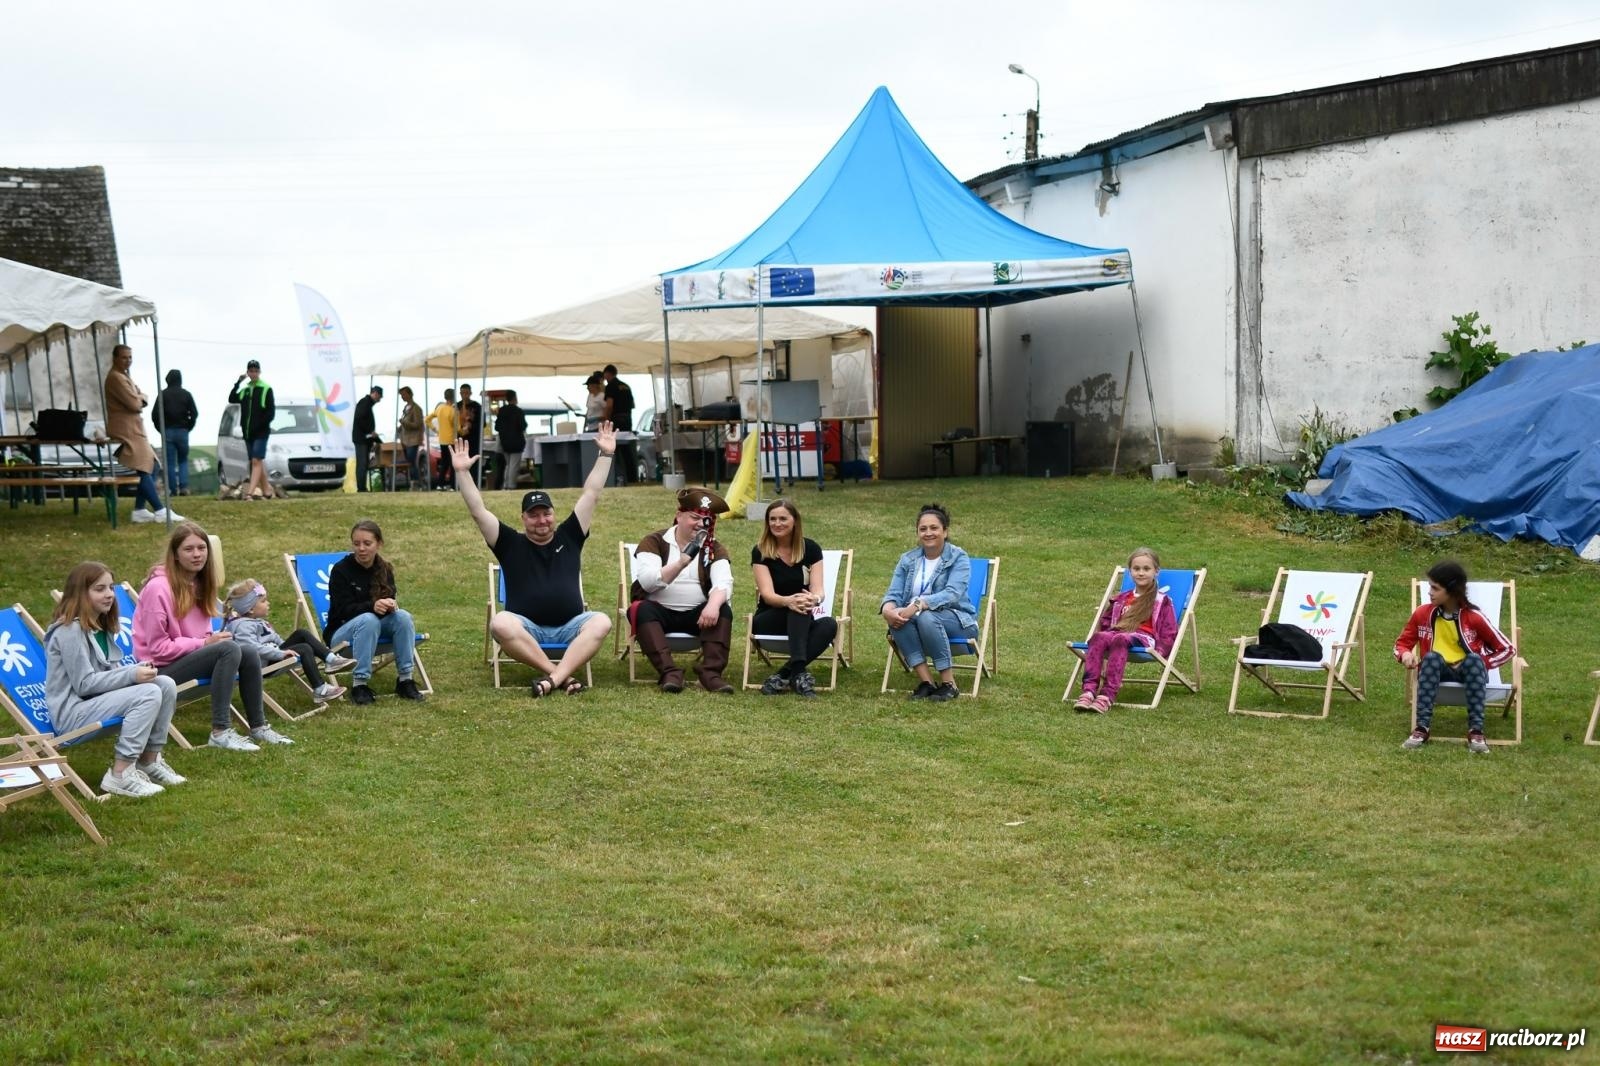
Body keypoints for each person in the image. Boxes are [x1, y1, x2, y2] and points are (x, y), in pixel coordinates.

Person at [452, 423, 616, 698]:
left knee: (601, 621)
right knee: (500, 623)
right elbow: (478, 512)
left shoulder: (571, 535)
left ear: (553, 514)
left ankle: (552, 679)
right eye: (534, 515)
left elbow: (592, 493)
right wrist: (462, 473)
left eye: (546, 513)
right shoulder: (509, 543)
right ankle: (560, 676)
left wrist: (606, 456)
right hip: (526, 628)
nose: (541, 520)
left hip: (569, 627)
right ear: (523, 518)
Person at [132, 521, 294, 751]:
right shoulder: (158, 588)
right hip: (160, 670)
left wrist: (211, 639)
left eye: (202, 548)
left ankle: (258, 727)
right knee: (228, 649)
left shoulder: (199, 583)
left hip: (189, 659)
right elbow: (158, 649)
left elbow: (204, 633)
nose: (197, 554)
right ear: (175, 555)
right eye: (189, 549)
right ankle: (220, 731)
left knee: (245, 650)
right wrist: (205, 643)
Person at [45, 561, 184, 798]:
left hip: (94, 703)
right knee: (148, 692)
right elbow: (84, 684)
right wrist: (131, 675)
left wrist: (136, 671)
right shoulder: (69, 631)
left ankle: (149, 760)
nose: (109, 594)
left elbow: (110, 674)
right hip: (72, 714)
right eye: (100, 589)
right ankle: (120, 774)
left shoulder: (99, 626)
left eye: (111, 587)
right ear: (80, 592)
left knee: (165, 684)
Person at [1397, 559, 1516, 754]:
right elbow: (1401, 644)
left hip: (1468, 672)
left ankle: (1476, 731)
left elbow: (1507, 649)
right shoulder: (1422, 613)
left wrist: (1484, 663)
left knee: (1475, 660)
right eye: (1429, 587)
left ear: (1452, 590)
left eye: (1435, 588)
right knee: (1431, 658)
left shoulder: (1474, 617)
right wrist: (1406, 654)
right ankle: (1421, 729)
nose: (1430, 592)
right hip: (1437, 670)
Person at [629, 486, 735, 693]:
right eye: (694, 517)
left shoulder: (714, 548)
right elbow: (648, 582)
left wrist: (713, 605)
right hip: (660, 613)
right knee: (641, 609)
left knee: (722, 608)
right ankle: (670, 672)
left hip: (699, 616)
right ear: (679, 516)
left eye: (706, 520)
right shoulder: (655, 541)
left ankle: (710, 674)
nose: (700, 524)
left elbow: (724, 582)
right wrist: (681, 562)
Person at [881, 503, 979, 702]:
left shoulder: (958, 557)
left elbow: (952, 593)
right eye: (923, 529)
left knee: (926, 617)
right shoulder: (907, 559)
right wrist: (887, 609)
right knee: (897, 619)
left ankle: (949, 684)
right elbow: (894, 593)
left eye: (934, 528)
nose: (928, 533)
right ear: (917, 532)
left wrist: (919, 604)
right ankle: (927, 682)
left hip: (959, 623)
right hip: (918, 621)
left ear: (945, 531)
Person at [323, 518, 427, 705]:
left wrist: (389, 605)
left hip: (374, 629)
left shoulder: (384, 569)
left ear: (379, 544)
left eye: (367, 543)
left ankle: (405, 680)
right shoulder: (341, 570)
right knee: (369, 619)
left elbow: (389, 600)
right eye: (356, 544)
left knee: (403, 616)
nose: (361, 548)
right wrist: (372, 606)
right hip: (342, 635)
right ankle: (360, 684)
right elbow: (341, 610)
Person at [750, 498, 839, 698]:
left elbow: (818, 590)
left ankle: (784, 674)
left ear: (795, 521)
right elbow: (768, 595)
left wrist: (814, 599)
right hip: (769, 618)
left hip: (801, 618)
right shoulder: (761, 551)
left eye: (783, 518)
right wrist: (789, 601)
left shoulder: (811, 549)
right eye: (772, 519)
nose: (777, 523)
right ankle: (799, 673)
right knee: (797, 606)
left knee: (829, 625)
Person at [1073, 547, 1178, 713]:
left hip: (1144, 638)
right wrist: (1103, 636)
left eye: (1146, 569)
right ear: (1130, 571)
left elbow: (1169, 629)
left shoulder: (1161, 600)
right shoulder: (1122, 598)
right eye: (1136, 569)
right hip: (1118, 633)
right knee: (1100, 637)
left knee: (1120, 638)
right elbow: (1107, 622)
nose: (1141, 573)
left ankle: (1107, 695)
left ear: (1156, 571)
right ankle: (1088, 690)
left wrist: (1161, 650)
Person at [224, 578, 353, 702]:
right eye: (263, 601)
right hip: (261, 664)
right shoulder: (242, 626)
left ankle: (331, 660)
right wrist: (282, 653)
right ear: (251, 609)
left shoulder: (257, 621)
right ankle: (320, 689)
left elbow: (275, 639)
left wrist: (285, 648)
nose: (268, 603)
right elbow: (251, 649)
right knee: (304, 648)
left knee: (301, 633)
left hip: (273, 657)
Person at [103, 343, 182, 524]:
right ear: (115, 358)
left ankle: (139, 509)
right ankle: (160, 510)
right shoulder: (116, 378)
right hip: (126, 428)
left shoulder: (123, 376)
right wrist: (140, 398)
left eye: (130, 357)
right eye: (124, 357)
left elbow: (140, 396)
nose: (128, 361)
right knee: (146, 465)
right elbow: (135, 403)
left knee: (151, 464)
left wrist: (140, 397)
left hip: (133, 427)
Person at [228, 358, 276, 500]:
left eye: (256, 371)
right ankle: (267, 490)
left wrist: (261, 425)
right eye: (251, 371)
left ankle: (250, 493)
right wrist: (238, 382)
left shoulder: (266, 389)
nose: (253, 374)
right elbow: (232, 398)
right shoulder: (245, 390)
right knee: (255, 462)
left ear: (259, 372)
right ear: (248, 372)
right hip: (248, 432)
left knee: (256, 461)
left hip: (261, 432)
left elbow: (270, 412)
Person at [153, 367, 198, 497]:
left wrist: (160, 429)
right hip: (183, 431)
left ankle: (173, 489)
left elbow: (155, 415)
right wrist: (189, 427)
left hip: (167, 431)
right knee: (183, 460)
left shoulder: (163, 394)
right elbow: (195, 413)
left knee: (170, 462)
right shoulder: (186, 394)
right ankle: (184, 487)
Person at [601, 364, 636, 484]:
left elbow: (609, 405)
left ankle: (616, 478)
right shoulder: (626, 386)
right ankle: (632, 478)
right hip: (627, 419)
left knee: (614, 449)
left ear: (608, 374)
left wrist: (606, 421)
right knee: (627, 450)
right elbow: (632, 405)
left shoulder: (611, 386)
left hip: (616, 419)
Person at [493, 389, 528, 491]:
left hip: (505, 442)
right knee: (514, 466)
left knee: (508, 465)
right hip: (517, 442)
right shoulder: (518, 411)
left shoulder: (502, 411)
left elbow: (497, 427)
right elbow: (523, 426)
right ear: (515, 398)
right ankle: (511, 486)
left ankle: (506, 485)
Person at [351, 384, 383, 493]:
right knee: (362, 463)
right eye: (379, 397)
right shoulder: (365, 402)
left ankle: (362, 487)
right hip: (361, 439)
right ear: (375, 394)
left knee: (363, 463)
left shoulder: (367, 403)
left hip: (364, 439)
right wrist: (370, 431)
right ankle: (361, 488)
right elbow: (359, 418)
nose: (379, 400)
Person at [427, 388, 458, 490]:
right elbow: (458, 428)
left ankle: (440, 484)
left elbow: (427, 419)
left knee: (444, 462)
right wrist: (465, 429)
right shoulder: (453, 411)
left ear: (445, 397)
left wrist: (435, 429)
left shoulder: (439, 408)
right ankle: (453, 485)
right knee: (453, 463)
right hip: (452, 440)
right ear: (454, 397)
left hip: (442, 440)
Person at [397, 385, 426, 489]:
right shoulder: (406, 408)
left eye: (403, 395)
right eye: (401, 395)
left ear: (409, 394)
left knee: (412, 461)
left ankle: (416, 482)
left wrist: (405, 423)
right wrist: (401, 427)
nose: (402, 397)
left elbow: (417, 424)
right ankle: (413, 482)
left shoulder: (416, 409)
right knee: (409, 462)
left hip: (413, 440)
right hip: (405, 440)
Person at [456, 383, 483, 481]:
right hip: (460, 439)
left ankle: (474, 481)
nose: (465, 395)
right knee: (461, 462)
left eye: (467, 393)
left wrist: (472, 426)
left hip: (473, 440)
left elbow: (482, 423)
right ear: (460, 393)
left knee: (474, 462)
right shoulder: (457, 406)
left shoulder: (477, 406)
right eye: (462, 393)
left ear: (470, 393)